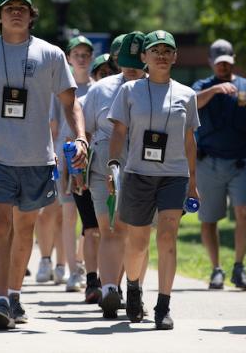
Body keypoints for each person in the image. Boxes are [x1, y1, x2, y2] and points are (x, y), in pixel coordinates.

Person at [0, 0, 87, 330]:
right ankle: (2, 299)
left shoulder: (51, 54)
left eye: (22, 8)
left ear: (31, 15)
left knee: (26, 229)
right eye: (9, 8)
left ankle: (13, 294)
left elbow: (71, 102)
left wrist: (81, 137)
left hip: (37, 158)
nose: (16, 13)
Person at [108, 30, 199, 330]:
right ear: (144, 57)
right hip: (137, 174)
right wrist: (113, 166)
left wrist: (193, 182)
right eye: (154, 50)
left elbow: (189, 141)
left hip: (173, 175)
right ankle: (133, 287)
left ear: (175, 57)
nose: (161, 55)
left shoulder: (187, 95)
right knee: (137, 242)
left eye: (167, 50)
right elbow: (119, 131)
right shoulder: (130, 91)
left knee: (167, 237)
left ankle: (163, 306)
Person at [192, 39, 246, 290]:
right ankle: (216, 269)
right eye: (218, 64)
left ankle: (239, 266)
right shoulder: (202, 86)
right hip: (208, 162)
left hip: (240, 162)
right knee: (208, 218)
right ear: (210, 63)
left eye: (227, 63)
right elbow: (190, 103)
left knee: (244, 212)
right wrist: (216, 90)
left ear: (233, 62)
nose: (223, 68)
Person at [83, 37, 147, 319]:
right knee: (109, 228)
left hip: (143, 169)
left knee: (138, 235)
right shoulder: (100, 90)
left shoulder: (154, 89)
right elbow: (84, 131)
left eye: (137, 63)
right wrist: (77, 169)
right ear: (116, 61)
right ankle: (109, 289)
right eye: (126, 63)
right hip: (103, 168)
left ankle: (133, 291)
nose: (132, 69)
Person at [50, 35, 94, 293]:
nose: (81, 58)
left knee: (91, 217)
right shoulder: (60, 89)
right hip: (66, 158)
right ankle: (71, 270)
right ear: (68, 58)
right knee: (68, 215)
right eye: (76, 53)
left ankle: (81, 261)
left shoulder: (98, 87)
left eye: (85, 54)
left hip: (92, 157)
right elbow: (53, 129)